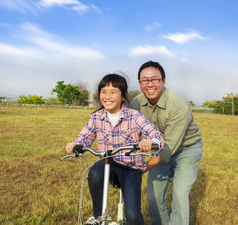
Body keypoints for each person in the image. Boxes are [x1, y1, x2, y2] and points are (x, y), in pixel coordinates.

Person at [65, 73, 164, 225]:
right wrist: (74, 144)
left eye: (113, 92)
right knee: (95, 172)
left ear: (123, 96)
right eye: (103, 92)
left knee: (132, 216)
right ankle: (98, 217)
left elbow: (155, 135)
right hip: (107, 165)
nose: (107, 96)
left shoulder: (134, 116)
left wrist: (150, 141)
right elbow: (85, 137)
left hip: (131, 168)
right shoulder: (97, 117)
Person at [129, 61, 203, 225]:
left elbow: (168, 147)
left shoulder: (177, 103)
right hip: (159, 150)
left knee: (179, 195)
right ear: (140, 83)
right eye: (145, 81)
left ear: (164, 81)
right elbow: (130, 135)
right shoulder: (136, 103)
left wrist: (143, 168)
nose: (150, 85)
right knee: (153, 197)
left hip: (186, 149)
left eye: (155, 79)